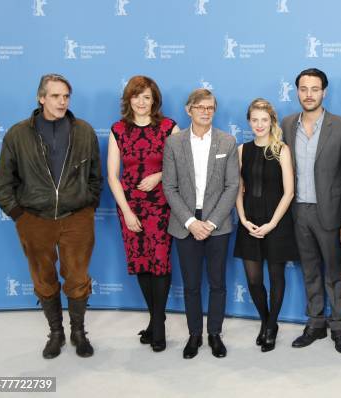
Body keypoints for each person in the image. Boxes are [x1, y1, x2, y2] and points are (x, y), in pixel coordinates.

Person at [0, 73, 102, 359]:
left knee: (77, 277)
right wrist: (20, 215)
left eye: (66, 96)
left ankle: (78, 332)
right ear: (41, 98)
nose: (62, 101)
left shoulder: (84, 131)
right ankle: (56, 333)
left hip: (77, 217)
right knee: (43, 278)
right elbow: (3, 182)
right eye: (55, 96)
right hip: (35, 218)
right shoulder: (18, 134)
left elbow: (95, 177)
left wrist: (88, 207)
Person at [281, 68, 341, 353]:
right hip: (298, 212)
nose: (309, 94)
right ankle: (315, 323)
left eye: (314, 89)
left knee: (334, 273)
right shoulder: (287, 124)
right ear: (297, 91)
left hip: (331, 213)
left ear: (324, 92)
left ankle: (338, 326)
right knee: (309, 271)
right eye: (303, 88)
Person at [162, 88, 239, 359]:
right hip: (185, 224)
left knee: (217, 283)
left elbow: (232, 187)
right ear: (189, 110)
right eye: (200, 107)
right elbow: (169, 187)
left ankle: (214, 334)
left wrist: (211, 223)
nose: (206, 112)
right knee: (192, 285)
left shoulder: (227, 142)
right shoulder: (174, 143)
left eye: (210, 107)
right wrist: (191, 222)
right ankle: (194, 334)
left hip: (217, 225)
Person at [107, 76, 180, 352]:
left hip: (161, 205)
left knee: (160, 262)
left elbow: (182, 167)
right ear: (129, 100)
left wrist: (159, 175)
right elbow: (113, 176)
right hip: (130, 207)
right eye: (136, 96)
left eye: (147, 97)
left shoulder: (169, 127)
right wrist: (126, 211)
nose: (141, 102)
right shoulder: (118, 130)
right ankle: (155, 319)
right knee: (141, 263)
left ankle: (158, 327)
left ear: (154, 101)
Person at [234, 98, 298, 352]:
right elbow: (238, 188)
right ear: (249, 121)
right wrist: (242, 219)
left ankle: (271, 326)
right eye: (254, 120)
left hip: (277, 223)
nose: (259, 125)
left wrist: (271, 224)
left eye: (264, 120)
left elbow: (289, 192)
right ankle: (265, 319)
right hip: (249, 221)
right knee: (253, 280)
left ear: (272, 121)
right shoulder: (242, 150)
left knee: (276, 276)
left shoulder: (282, 149)